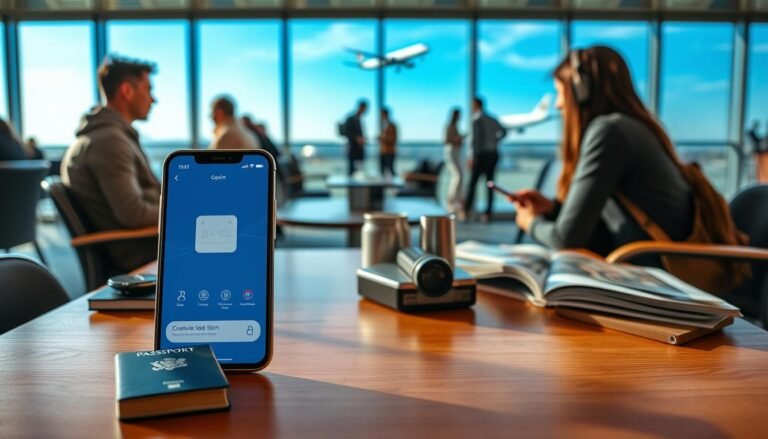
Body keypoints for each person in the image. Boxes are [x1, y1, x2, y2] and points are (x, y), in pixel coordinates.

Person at [508, 46, 694, 261]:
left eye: (561, 93)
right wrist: (553, 209)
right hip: (649, 263)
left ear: (582, 93)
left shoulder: (610, 132)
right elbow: (605, 232)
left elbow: (566, 240)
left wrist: (530, 222)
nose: (558, 105)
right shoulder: (631, 128)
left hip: (655, 276)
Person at [61, 55, 160, 272]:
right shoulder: (110, 142)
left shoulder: (111, 137)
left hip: (148, 242)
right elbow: (133, 213)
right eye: (148, 89)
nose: (153, 99)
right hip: (143, 252)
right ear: (127, 91)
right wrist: (181, 211)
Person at [464, 97, 507, 223]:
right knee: (490, 184)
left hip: (480, 155)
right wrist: (495, 141)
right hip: (493, 153)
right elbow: (504, 132)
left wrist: (471, 156)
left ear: (475, 105)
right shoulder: (492, 119)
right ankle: (488, 214)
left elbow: (474, 141)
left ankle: (467, 211)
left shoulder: (476, 120)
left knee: (472, 184)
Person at [444, 108, 465, 216]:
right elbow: (447, 140)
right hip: (452, 152)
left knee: (459, 176)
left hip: (456, 152)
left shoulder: (454, 126)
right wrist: (459, 138)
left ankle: (456, 201)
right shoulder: (450, 126)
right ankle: (451, 201)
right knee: (457, 176)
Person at [340, 100, 367, 176]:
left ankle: (356, 186)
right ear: (361, 107)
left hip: (358, 149)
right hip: (353, 149)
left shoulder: (358, 119)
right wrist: (356, 138)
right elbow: (345, 131)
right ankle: (352, 187)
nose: (365, 111)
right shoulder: (352, 118)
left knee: (359, 171)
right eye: (364, 109)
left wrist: (361, 139)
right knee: (352, 172)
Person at [378, 108, 398, 177]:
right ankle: (382, 186)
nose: (381, 116)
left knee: (391, 169)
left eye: (382, 115)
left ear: (385, 114)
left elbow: (394, 139)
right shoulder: (383, 126)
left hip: (390, 151)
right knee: (382, 171)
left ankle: (396, 185)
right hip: (383, 151)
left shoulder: (393, 126)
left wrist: (383, 138)